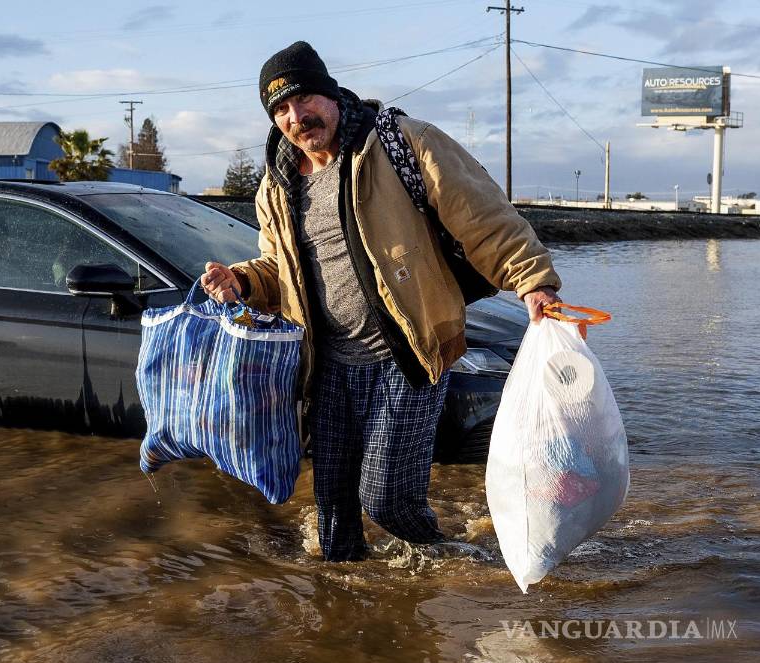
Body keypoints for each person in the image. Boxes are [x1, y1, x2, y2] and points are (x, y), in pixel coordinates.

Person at [200, 41, 563, 561]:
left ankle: (457, 562)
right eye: (280, 109)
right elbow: (280, 273)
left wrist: (533, 281)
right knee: (334, 528)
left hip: (409, 353)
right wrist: (241, 281)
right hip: (327, 367)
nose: (296, 117)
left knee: (387, 498)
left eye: (304, 100)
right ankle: (348, 623)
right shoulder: (275, 187)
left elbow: (483, 217)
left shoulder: (400, 143)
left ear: (330, 94)